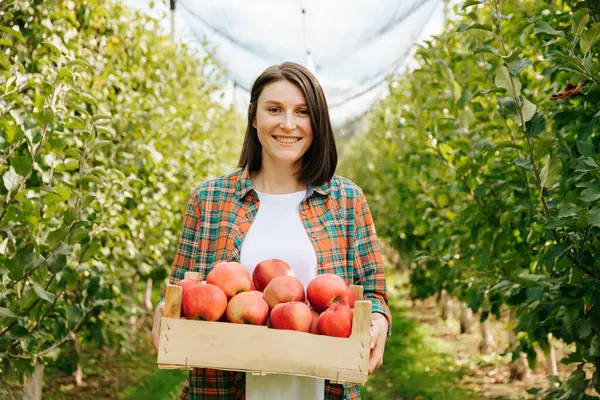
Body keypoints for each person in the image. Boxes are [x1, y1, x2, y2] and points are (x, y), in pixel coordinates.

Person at [151, 61, 391, 400]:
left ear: (317, 121)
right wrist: (164, 311)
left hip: (321, 389)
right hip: (221, 389)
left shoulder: (347, 200)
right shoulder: (210, 200)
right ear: (253, 116)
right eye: (274, 110)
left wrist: (377, 324)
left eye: (302, 112)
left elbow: (374, 295)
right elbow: (180, 290)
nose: (288, 124)